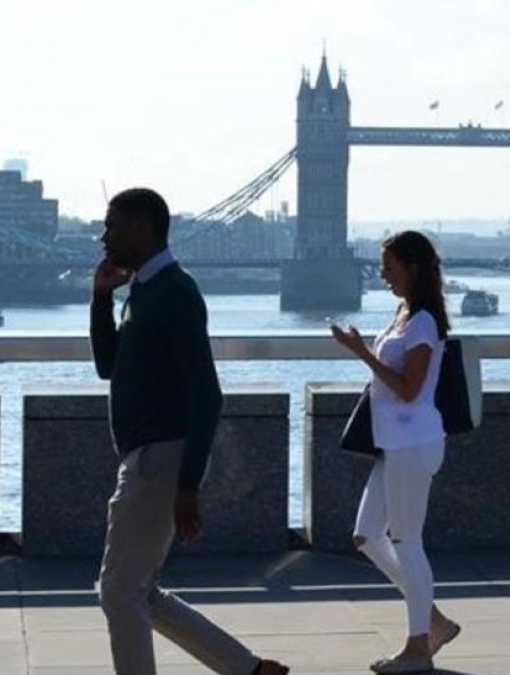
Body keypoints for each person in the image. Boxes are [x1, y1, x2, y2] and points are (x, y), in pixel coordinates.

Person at [90, 188, 289, 675]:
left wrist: (188, 483)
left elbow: (207, 393)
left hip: (160, 458)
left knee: (119, 591)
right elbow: (108, 365)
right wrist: (100, 299)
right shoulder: (143, 290)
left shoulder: (176, 294)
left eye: (112, 226)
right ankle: (249, 669)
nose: (103, 237)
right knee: (141, 592)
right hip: (146, 455)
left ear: (143, 228)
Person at [330, 230, 460, 674]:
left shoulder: (423, 322)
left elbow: (409, 389)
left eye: (389, 266)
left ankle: (418, 647)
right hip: (394, 444)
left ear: (413, 268)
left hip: (414, 442)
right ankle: (434, 620)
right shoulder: (404, 314)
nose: (382, 274)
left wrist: (361, 352)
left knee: (408, 541)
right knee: (367, 536)